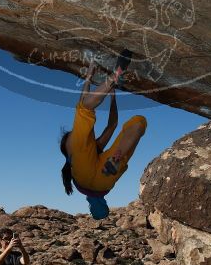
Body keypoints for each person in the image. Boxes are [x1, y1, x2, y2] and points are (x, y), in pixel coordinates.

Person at [59, 52, 147, 220]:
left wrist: (112, 94)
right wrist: (89, 76)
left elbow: (113, 124)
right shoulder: (74, 147)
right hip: (83, 178)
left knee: (138, 122)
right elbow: (84, 103)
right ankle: (115, 76)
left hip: (104, 184)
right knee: (83, 109)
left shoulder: (89, 148)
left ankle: (116, 77)